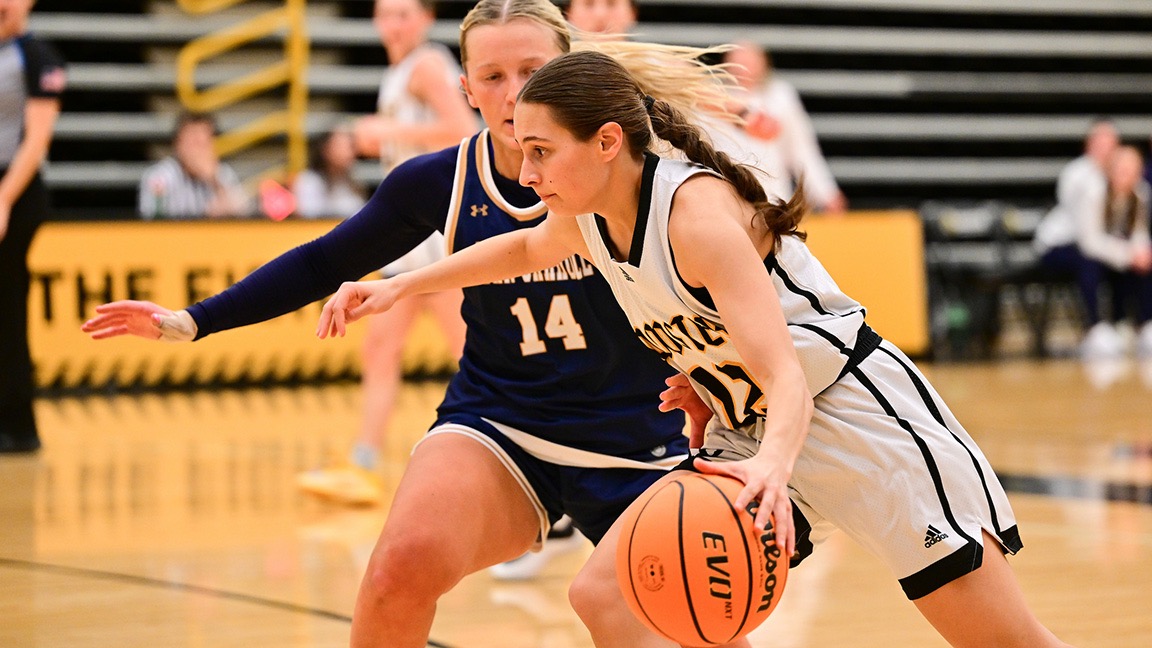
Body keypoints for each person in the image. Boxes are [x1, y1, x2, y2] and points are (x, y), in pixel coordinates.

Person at [318, 50, 1072, 648]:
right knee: (608, 594)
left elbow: (784, 373)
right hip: (758, 432)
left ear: (607, 142)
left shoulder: (696, 215)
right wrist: (396, 287)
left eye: (542, 150)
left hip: (853, 417)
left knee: (1005, 643)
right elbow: (518, 252)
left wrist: (770, 464)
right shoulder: (587, 213)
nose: (525, 171)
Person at [81, 2, 734, 645]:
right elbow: (323, 260)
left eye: (531, 71)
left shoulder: (631, 170)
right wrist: (191, 321)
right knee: (397, 570)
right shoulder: (440, 182)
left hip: (640, 435)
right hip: (502, 420)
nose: (512, 95)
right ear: (466, 88)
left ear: (568, 69)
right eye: (492, 77)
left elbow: (729, 283)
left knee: (666, 624)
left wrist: (724, 391)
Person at [296, 0, 477, 506]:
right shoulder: (400, 72)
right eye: (385, 13)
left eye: (404, 13)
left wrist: (388, 132)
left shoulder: (425, 65)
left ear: (423, 19)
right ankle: (365, 463)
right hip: (413, 232)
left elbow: (465, 129)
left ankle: (506, 449)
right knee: (381, 348)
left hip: (438, 232)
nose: (393, 24)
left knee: (468, 350)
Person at [0, 0, 65, 454]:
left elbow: (37, 141)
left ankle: (18, 423)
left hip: (15, 191)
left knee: (6, 306)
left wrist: (3, 199)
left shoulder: (38, 56)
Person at [705, 41, 847, 214]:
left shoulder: (781, 96)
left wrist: (826, 192)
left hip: (774, 195)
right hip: (728, 196)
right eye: (737, 61)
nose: (743, 68)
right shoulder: (711, 98)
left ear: (764, 63)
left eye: (750, 61)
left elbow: (802, 149)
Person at [1033, 120, 1129, 357]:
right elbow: (1088, 234)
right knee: (1089, 260)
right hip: (1058, 245)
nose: (1108, 149)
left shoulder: (1119, 175)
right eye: (1102, 143)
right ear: (1090, 144)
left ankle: (1122, 323)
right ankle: (1095, 328)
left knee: (1125, 263)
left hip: (1094, 243)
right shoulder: (1078, 173)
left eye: (1112, 144)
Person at [138, 111, 251, 219]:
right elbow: (153, 222)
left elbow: (245, 215)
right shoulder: (160, 176)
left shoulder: (222, 173)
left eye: (204, 142)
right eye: (194, 141)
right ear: (178, 143)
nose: (199, 150)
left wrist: (214, 181)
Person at [292, 126, 367, 219]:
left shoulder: (352, 182)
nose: (348, 152)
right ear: (326, 150)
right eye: (340, 146)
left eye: (350, 146)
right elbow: (309, 215)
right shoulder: (309, 180)